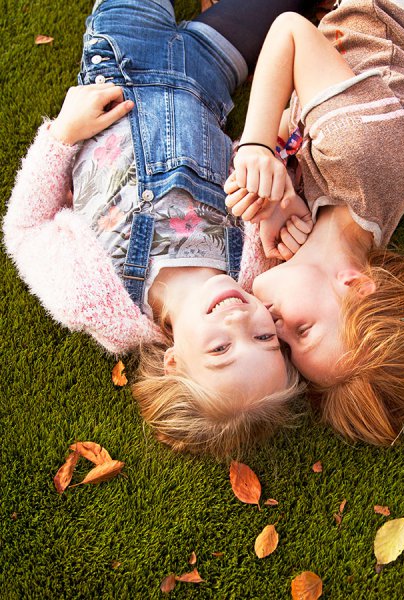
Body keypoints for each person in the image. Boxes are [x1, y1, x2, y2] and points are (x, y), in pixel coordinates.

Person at [2, 0, 314, 459]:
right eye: (266, 338)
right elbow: (283, 169)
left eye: (221, 348)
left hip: (121, 59)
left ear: (174, 362)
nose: (241, 320)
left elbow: (24, 229)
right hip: (206, 74)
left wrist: (62, 136)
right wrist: (280, 199)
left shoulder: (94, 297)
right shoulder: (257, 262)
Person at [225, 0, 404, 446]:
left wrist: (283, 185)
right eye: (303, 331)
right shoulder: (357, 152)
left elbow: (300, 121)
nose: (274, 326)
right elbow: (289, 33)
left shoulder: (349, 223)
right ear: (357, 286)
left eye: (287, 347)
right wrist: (259, 148)